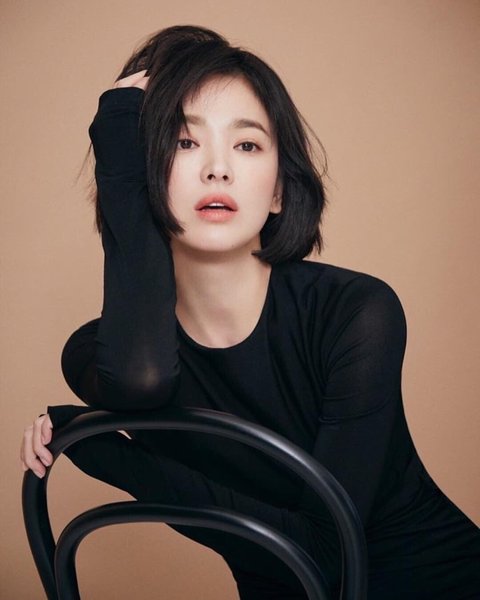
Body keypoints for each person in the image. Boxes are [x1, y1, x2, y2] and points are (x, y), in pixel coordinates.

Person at [20, 25, 480, 599]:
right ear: (144, 176)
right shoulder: (100, 353)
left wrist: (98, 449)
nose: (218, 169)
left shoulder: (355, 313)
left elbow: (324, 555)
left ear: (279, 190)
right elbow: (141, 381)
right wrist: (122, 179)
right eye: (183, 143)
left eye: (247, 145)